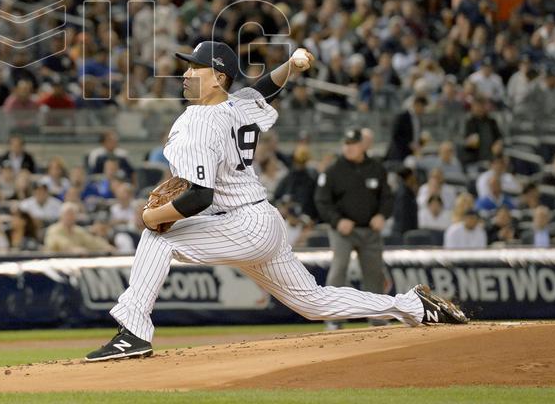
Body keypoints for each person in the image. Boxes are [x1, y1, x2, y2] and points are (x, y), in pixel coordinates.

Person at [85, 42, 465, 363]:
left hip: (240, 224)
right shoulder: (235, 106)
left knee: (158, 238)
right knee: (314, 303)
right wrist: (292, 65)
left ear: (219, 78)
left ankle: (133, 332)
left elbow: (200, 196)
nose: (186, 73)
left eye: (197, 67)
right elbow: (262, 89)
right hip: (259, 221)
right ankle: (413, 307)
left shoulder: (198, 120)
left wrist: (153, 217)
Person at [315, 128, 394, 331]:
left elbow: (387, 197)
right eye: (346, 144)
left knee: (374, 274)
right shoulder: (333, 170)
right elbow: (322, 201)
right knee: (338, 269)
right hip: (343, 231)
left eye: (353, 144)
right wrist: (337, 220)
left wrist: (382, 215)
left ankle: (377, 318)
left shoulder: (376, 168)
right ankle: (334, 318)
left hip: (369, 229)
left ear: (362, 145)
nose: (349, 148)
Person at [45, 202, 115, 255]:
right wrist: (72, 249)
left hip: (75, 264)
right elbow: (56, 243)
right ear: (61, 216)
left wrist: (105, 246)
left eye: (73, 214)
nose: (70, 217)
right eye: (68, 214)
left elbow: (91, 241)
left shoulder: (78, 230)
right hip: (57, 263)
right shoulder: (54, 230)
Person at [386, 96, 427, 162]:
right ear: (416, 104)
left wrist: (419, 143)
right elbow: (395, 135)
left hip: (412, 154)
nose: (423, 110)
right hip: (399, 154)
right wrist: (409, 144)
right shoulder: (401, 116)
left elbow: (415, 138)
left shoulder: (419, 119)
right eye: (422, 107)